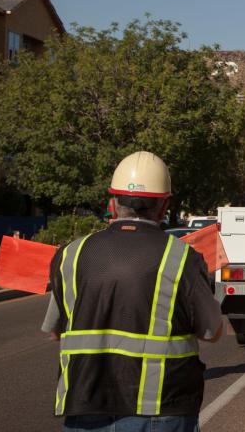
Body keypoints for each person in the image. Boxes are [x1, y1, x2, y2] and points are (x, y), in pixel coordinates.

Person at [42, 151, 223, 432]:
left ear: (112, 204)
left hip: (85, 407)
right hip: (162, 409)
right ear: (164, 206)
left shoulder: (71, 255)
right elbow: (212, 332)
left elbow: (55, 331)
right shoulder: (182, 258)